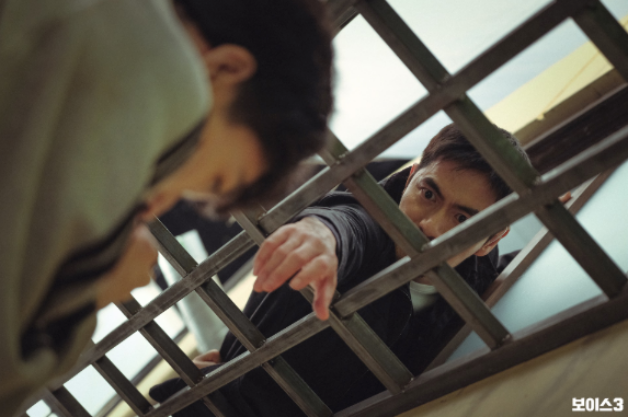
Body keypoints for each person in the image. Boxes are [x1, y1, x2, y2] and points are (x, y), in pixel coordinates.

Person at [0, 0, 332, 413]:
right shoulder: (124, 50)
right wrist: (91, 291)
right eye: (209, 175)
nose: (154, 202)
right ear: (224, 68)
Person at [150, 124, 532, 416]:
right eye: (428, 194)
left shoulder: (477, 274)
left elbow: (506, 270)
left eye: (462, 218)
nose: (431, 226)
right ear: (411, 175)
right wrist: (319, 235)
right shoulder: (360, 219)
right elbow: (345, 223)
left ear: (490, 240)